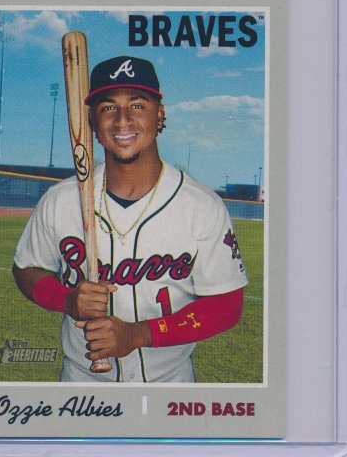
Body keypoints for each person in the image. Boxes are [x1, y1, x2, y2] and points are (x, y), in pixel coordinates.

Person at [13, 55, 248, 382]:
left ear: (159, 115)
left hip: (170, 386)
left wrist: (140, 334)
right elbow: (27, 268)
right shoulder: (60, 200)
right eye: (108, 107)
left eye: (137, 105)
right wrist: (65, 299)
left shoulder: (201, 205)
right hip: (81, 386)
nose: (122, 120)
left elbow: (227, 306)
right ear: (91, 121)